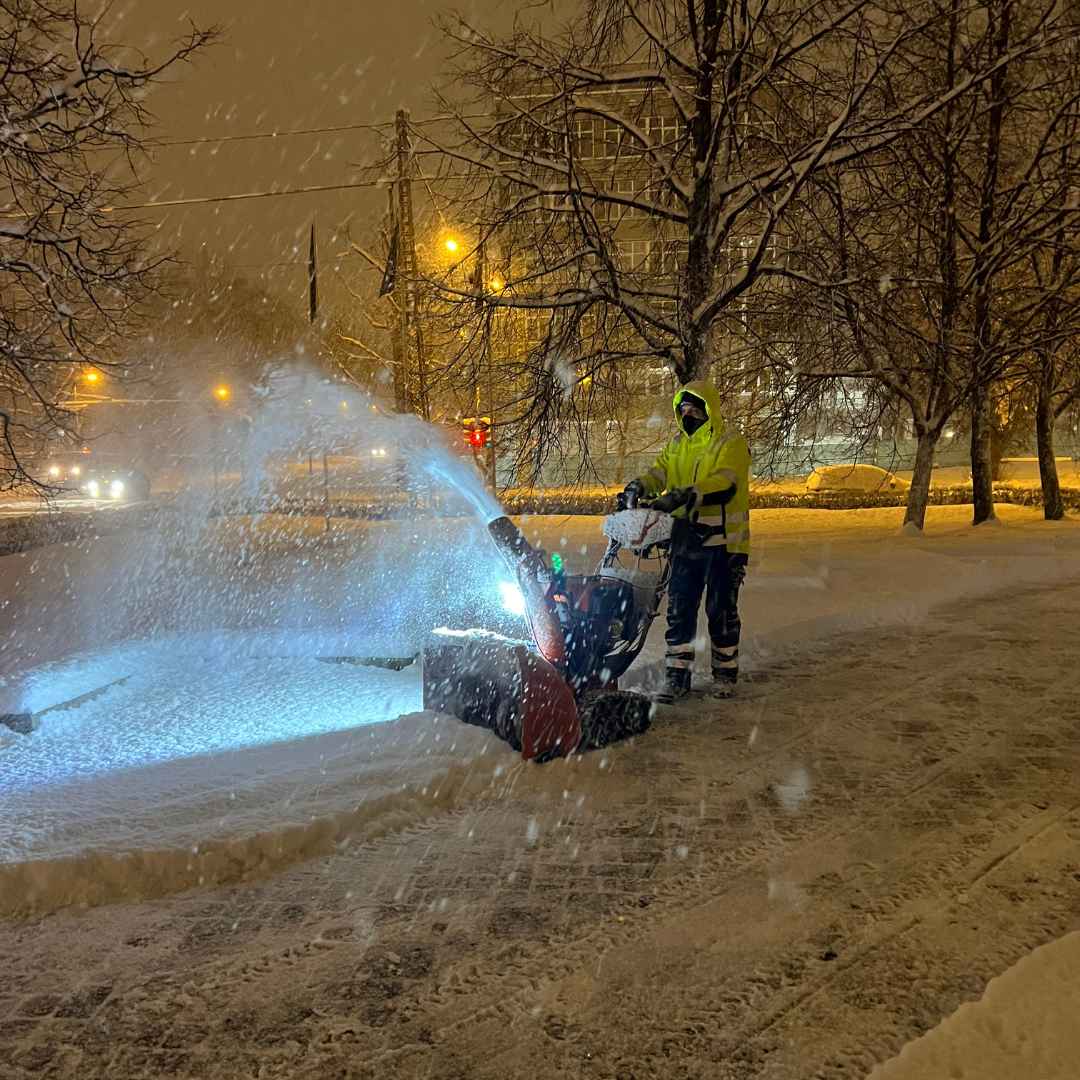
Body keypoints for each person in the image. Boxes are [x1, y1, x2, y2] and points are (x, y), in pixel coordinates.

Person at [622, 380, 751, 703]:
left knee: (720, 611)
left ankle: (725, 675)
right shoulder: (677, 445)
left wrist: (687, 494)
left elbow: (725, 481)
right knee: (679, 610)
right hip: (685, 541)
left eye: (695, 408)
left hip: (724, 544)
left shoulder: (729, 443)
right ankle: (677, 678)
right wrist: (640, 486)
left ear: (709, 409)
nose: (689, 414)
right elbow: (659, 473)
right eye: (684, 409)